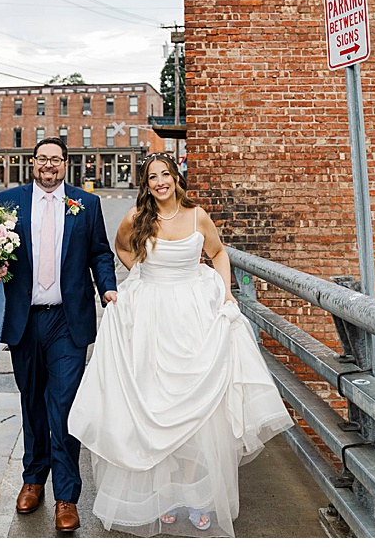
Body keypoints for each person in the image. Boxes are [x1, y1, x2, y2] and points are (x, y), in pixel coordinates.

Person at [68, 154, 293, 536]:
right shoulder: (136, 219)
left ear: (176, 178)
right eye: (152, 177)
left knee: (197, 411)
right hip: (151, 321)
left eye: (165, 175)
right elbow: (122, 249)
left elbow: (218, 253)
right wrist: (141, 275)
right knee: (156, 406)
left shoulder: (197, 215)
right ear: (146, 183)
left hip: (193, 318)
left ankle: (199, 496)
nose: (160, 183)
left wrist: (225, 294)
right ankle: (165, 497)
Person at [0, 137, 116, 533]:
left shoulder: (86, 204)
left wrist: (107, 287)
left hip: (67, 321)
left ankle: (66, 497)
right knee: (32, 404)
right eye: (42, 159)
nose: (48, 166)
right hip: (25, 320)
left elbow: (99, 253)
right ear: (33, 163)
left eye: (56, 160)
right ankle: (33, 479)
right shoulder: (8, 201)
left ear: (65, 165)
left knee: (62, 406)